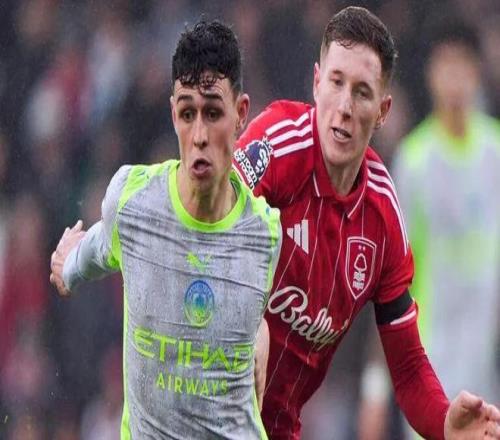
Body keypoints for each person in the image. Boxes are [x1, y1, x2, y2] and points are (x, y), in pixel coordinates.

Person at [232, 6, 500, 440]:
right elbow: (200, 230)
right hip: (202, 406)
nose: (344, 107)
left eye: (361, 92)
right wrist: (247, 316)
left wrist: (443, 424)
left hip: (277, 427)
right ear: (316, 83)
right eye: (336, 83)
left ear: (382, 110)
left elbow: (407, 365)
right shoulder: (276, 147)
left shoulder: (381, 217)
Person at [50, 20, 281, 439]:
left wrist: (261, 331)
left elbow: (254, 311)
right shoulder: (131, 202)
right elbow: (91, 252)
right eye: (188, 113)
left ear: (241, 113)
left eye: (213, 113)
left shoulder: (265, 234)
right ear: (173, 112)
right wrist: (67, 266)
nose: (199, 135)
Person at [392, 18, 500, 436]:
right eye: (445, 66)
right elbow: (391, 280)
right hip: (430, 369)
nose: (454, 79)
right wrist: (377, 383)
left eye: (463, 65)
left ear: (478, 72)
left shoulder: (496, 154)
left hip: (487, 364)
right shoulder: (413, 161)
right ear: (430, 74)